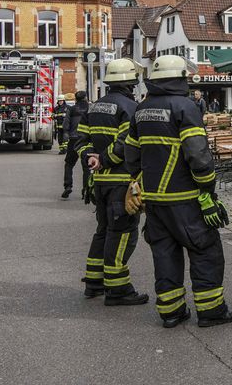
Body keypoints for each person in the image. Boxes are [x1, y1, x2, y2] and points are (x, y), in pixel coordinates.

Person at [123, 55, 232, 329]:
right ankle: (211, 311)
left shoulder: (142, 109)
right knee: (206, 251)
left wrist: (139, 182)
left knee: (164, 254)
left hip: (155, 202)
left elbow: (131, 152)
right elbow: (198, 155)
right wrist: (207, 189)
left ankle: (171, 312)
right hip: (186, 200)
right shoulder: (185, 107)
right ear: (180, 78)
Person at [76, 59, 149, 305]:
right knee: (122, 234)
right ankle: (118, 290)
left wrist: (90, 158)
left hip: (100, 183)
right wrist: (105, 160)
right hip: (122, 183)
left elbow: (81, 140)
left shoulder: (94, 107)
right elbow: (126, 144)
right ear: (131, 83)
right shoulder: (131, 107)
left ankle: (94, 281)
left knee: (103, 230)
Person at [61, 91, 89, 199]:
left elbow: (66, 124)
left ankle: (68, 186)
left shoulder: (72, 109)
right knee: (86, 167)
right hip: (86, 140)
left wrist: (66, 133)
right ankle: (86, 189)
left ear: (76, 99)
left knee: (69, 164)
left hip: (73, 140)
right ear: (85, 98)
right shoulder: (90, 109)